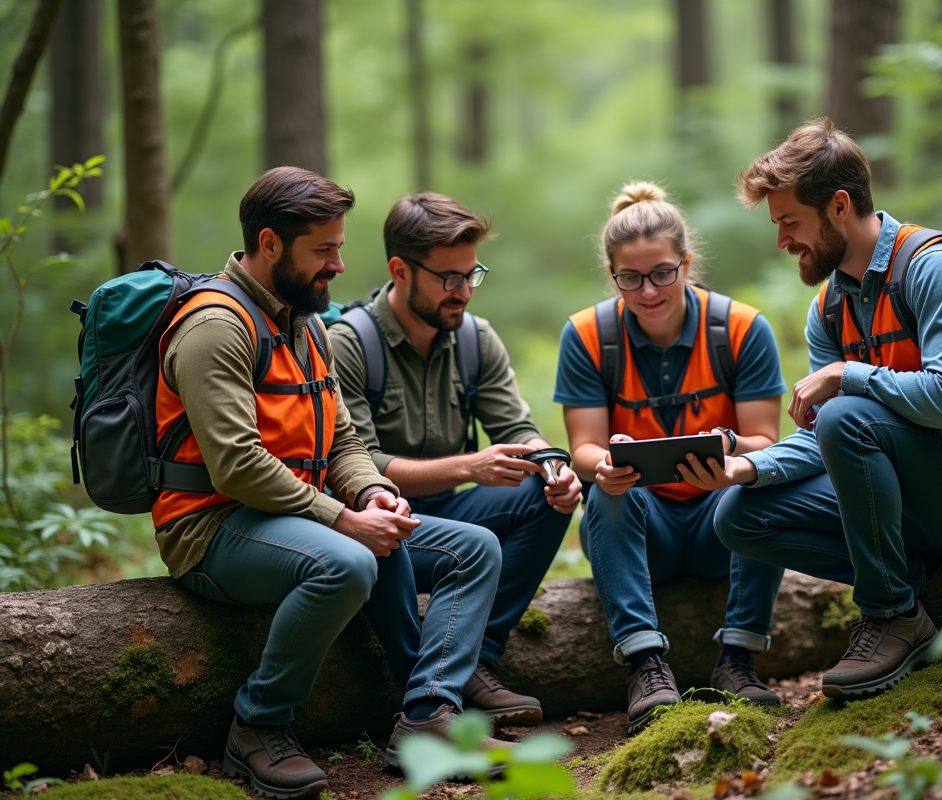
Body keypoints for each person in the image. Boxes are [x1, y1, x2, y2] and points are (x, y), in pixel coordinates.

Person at [155, 167, 503, 800]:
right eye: (324, 250)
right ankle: (258, 725)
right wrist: (343, 519)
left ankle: (428, 714)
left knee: (473, 548)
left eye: (339, 247)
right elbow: (236, 464)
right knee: (347, 561)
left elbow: (342, 440)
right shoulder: (215, 327)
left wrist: (370, 493)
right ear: (269, 244)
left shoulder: (305, 323)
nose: (339, 265)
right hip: (211, 525)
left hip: (294, 516)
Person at [707, 119, 942, 700]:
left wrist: (847, 374)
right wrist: (747, 466)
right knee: (738, 514)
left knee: (846, 414)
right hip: (913, 499)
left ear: (839, 206)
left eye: (790, 222)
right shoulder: (829, 307)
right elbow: (826, 437)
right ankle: (937, 581)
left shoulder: (935, 267)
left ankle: (891, 616)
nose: (782, 241)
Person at [330, 192, 582, 727]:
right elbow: (358, 463)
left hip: (451, 513)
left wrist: (553, 468)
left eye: (472, 275)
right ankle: (432, 691)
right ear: (400, 270)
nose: (464, 292)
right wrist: (468, 466)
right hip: (383, 526)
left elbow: (516, 429)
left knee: (544, 496)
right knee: (463, 541)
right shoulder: (349, 344)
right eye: (449, 278)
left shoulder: (475, 339)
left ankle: (476, 661)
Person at [555, 181, 789, 734]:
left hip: (720, 525)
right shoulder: (587, 335)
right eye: (630, 278)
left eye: (662, 273)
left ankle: (738, 659)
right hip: (642, 529)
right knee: (605, 493)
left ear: (685, 263)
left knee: (769, 483)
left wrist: (729, 449)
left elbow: (765, 441)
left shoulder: (741, 329)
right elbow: (583, 448)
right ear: (612, 274)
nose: (649, 290)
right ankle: (646, 667)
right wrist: (604, 465)